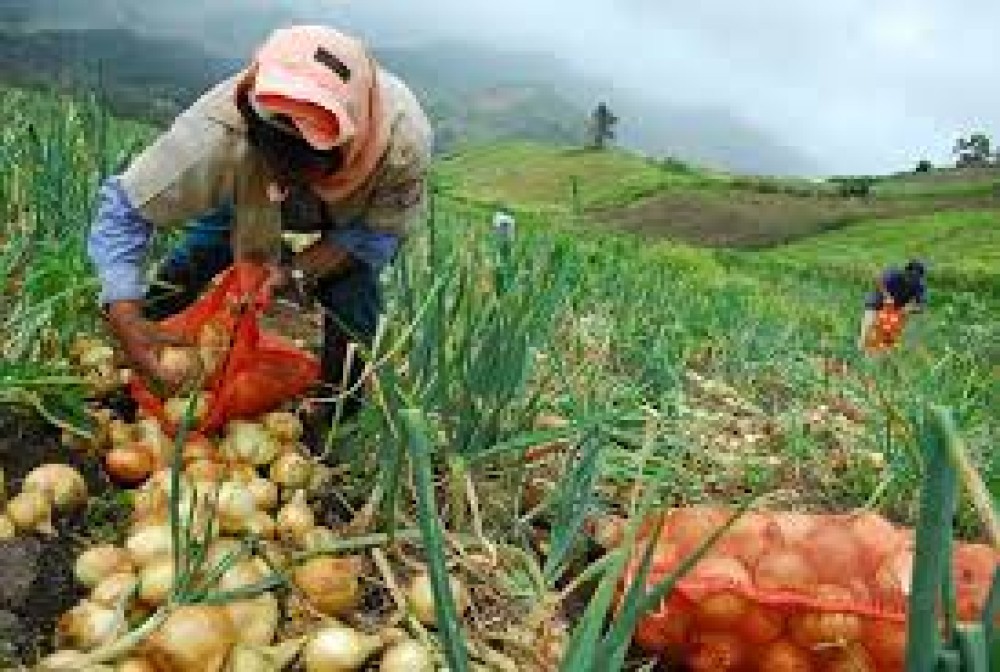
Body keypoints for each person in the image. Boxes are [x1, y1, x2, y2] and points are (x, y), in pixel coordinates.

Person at [87, 25, 433, 423]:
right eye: (273, 156)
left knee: (353, 301)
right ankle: (139, 362)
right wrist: (124, 310)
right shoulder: (216, 133)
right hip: (246, 189)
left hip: (351, 218)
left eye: (298, 166)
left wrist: (295, 272)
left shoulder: (401, 145)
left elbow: (372, 236)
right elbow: (126, 208)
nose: (282, 180)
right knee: (198, 255)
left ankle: (335, 415)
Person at [858, 260, 927, 352]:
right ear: (906, 272)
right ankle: (861, 347)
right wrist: (887, 296)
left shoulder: (919, 285)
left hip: (896, 310)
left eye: (916, 278)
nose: (912, 280)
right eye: (911, 277)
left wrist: (910, 309)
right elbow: (879, 281)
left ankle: (882, 353)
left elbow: (921, 307)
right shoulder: (893, 273)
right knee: (869, 326)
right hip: (877, 302)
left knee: (889, 336)